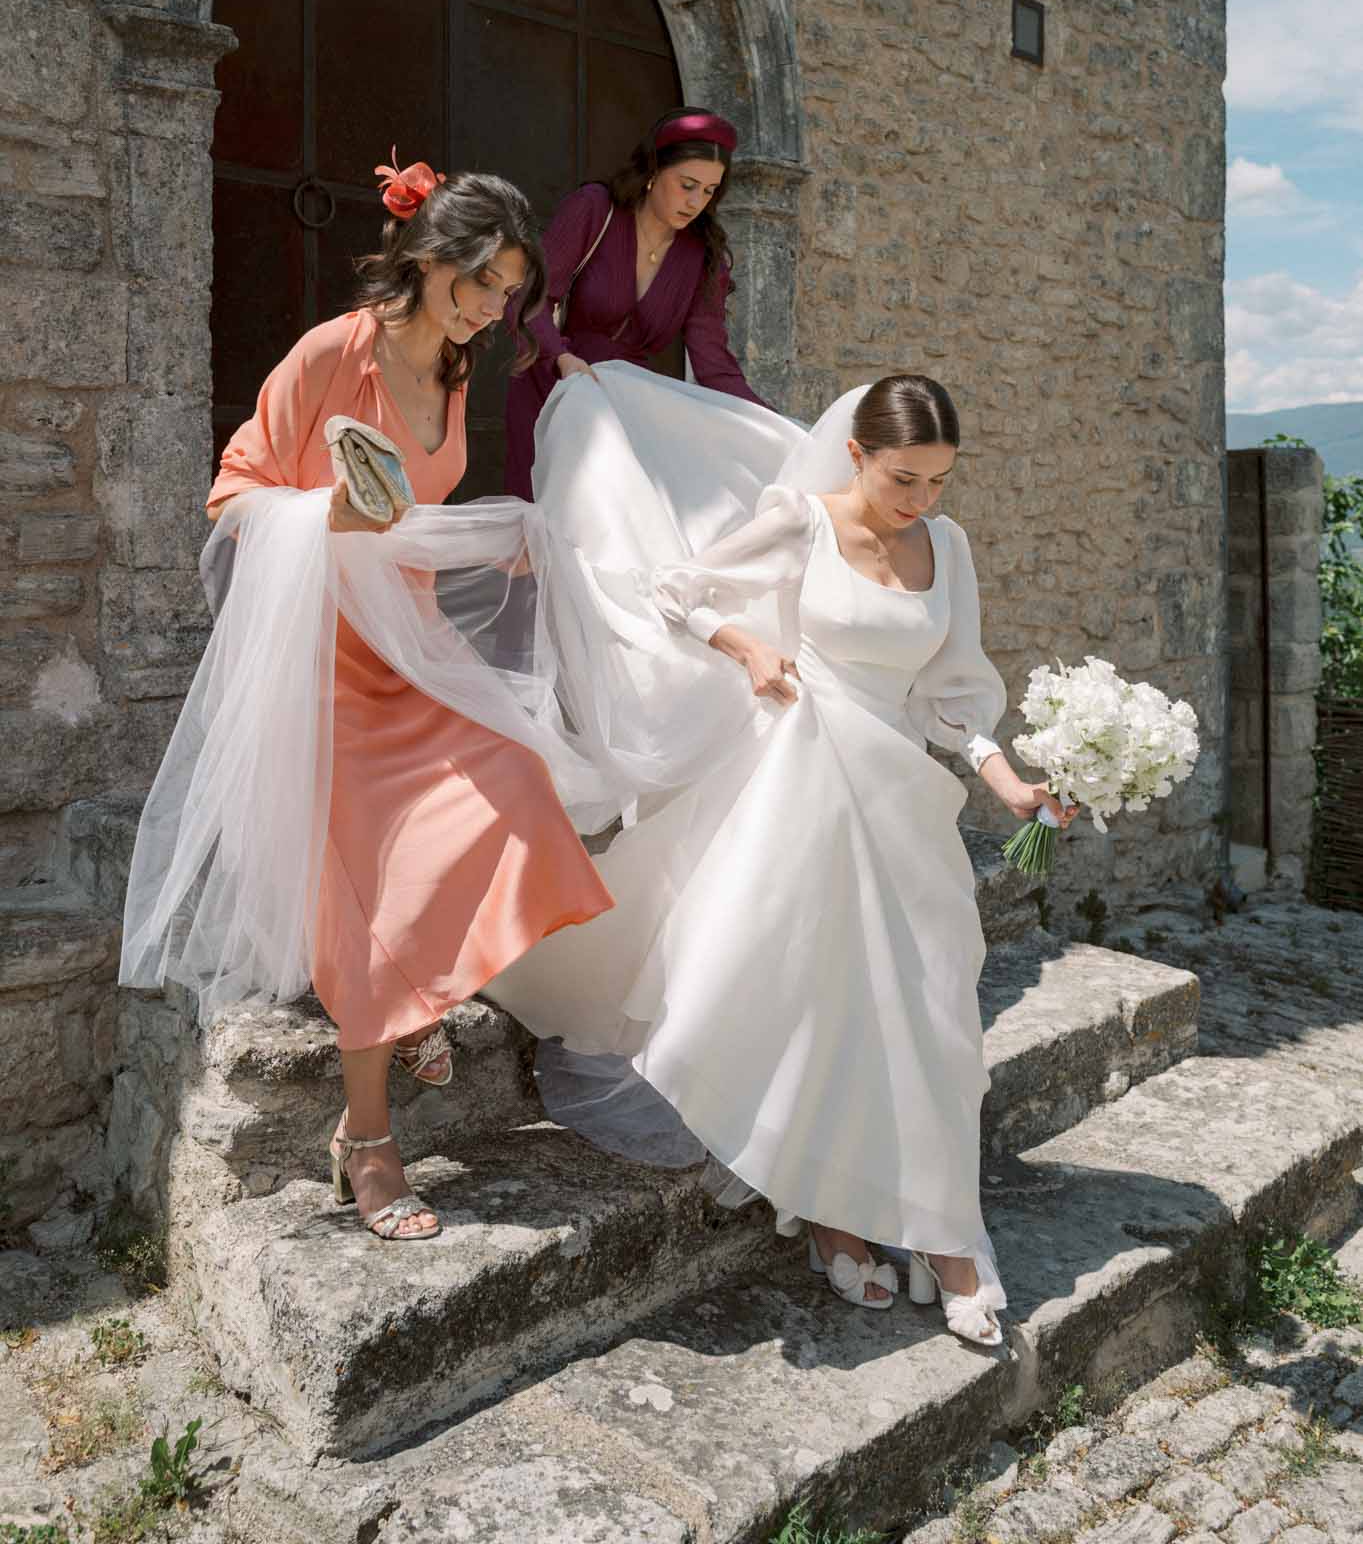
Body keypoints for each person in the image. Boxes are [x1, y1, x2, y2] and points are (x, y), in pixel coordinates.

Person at [489, 369, 1076, 1339]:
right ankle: (834, 1215)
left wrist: (1010, 782)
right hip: (805, 779)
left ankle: (946, 1234)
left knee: (933, 1012)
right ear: (856, 454)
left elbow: (954, 696)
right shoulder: (799, 521)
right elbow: (678, 590)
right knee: (817, 1004)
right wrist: (748, 649)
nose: (920, 501)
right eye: (902, 479)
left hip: (902, 801)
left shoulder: (948, 548)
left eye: (937, 481)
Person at [120, 157, 614, 1243]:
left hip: (411, 645)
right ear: (429, 260)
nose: (494, 308)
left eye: (507, 292)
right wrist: (323, 519)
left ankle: (422, 997)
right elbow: (234, 494)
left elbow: (412, 513)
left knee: (516, 783)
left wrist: (496, 545)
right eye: (481, 282)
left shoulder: (453, 366)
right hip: (320, 660)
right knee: (371, 869)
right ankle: (368, 1134)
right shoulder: (326, 355)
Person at [503, 106, 769, 497]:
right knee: (539, 531)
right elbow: (529, 299)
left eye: (710, 191)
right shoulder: (595, 209)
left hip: (625, 412)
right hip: (551, 391)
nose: (697, 201)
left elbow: (713, 363)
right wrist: (562, 358)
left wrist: (768, 422)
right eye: (687, 184)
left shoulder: (703, 255)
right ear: (654, 170)